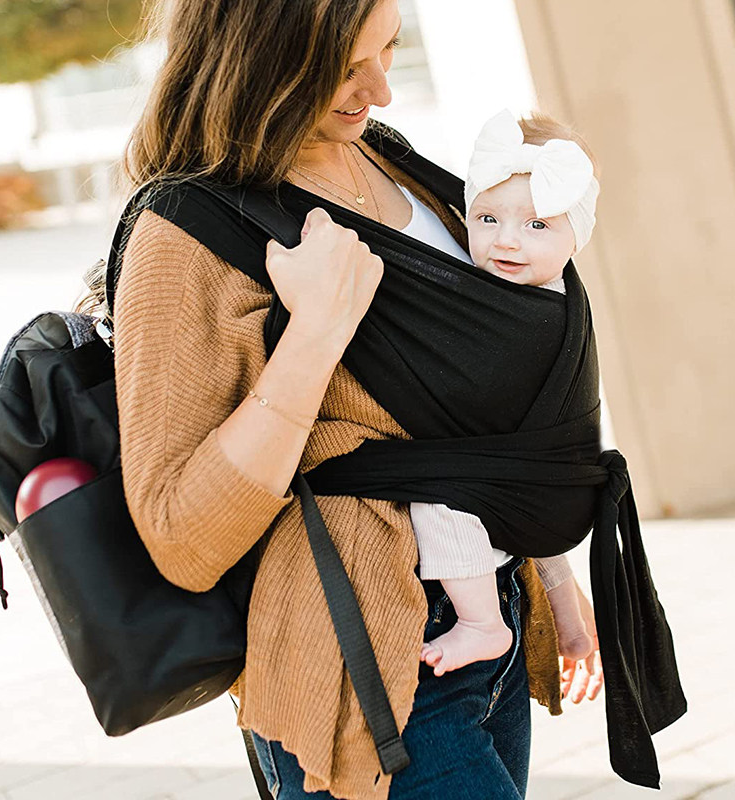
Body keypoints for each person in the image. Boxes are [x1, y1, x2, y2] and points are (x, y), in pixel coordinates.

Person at [113, 1, 604, 798]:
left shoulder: (382, 154)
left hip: (488, 624)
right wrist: (315, 335)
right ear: (259, 53)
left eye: (390, 51)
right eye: (345, 65)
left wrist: (552, 578)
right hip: (367, 662)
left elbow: (482, 409)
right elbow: (180, 535)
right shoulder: (188, 233)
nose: (379, 90)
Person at [411, 109, 601, 678]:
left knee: (437, 497)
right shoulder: (528, 290)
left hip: (518, 467)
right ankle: (567, 614)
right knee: (519, 514)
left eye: (537, 225)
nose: (506, 241)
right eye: (487, 218)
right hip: (528, 480)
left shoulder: (549, 310)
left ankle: (481, 623)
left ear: (577, 236)